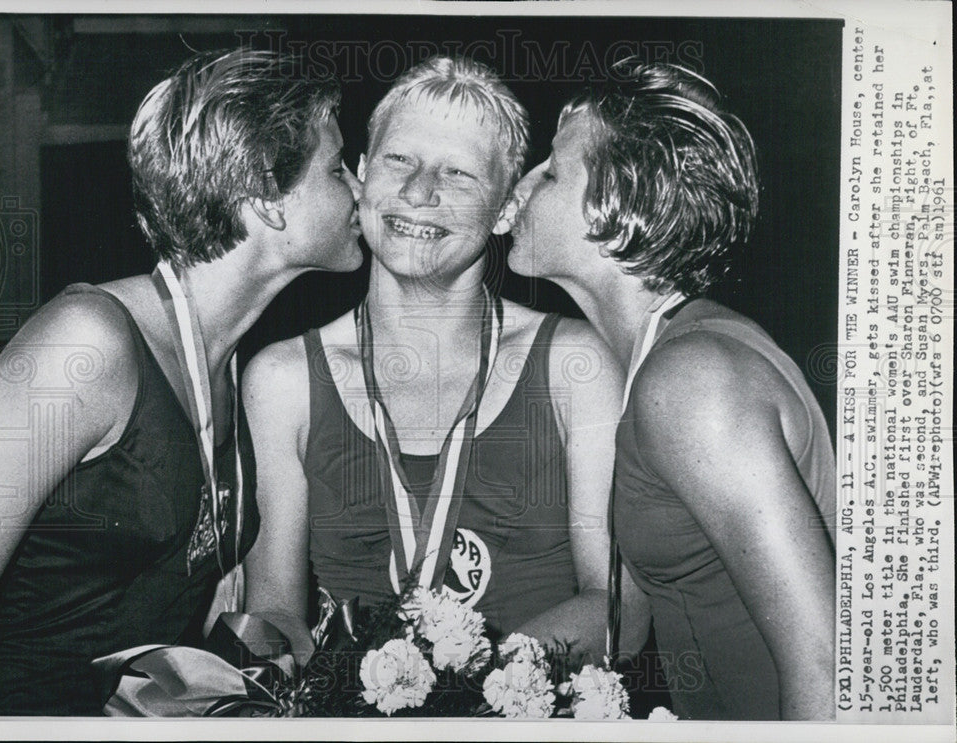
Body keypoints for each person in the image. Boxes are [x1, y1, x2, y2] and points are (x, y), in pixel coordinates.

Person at [0, 49, 363, 715]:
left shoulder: (235, 364)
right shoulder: (86, 341)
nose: (359, 189)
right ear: (267, 200)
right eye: (338, 168)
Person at [243, 56, 649, 674]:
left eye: (458, 173)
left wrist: (472, 695)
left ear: (507, 210)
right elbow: (273, 609)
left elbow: (618, 604)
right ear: (358, 178)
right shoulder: (282, 379)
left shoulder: (575, 365)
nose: (419, 192)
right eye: (399, 160)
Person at [508, 61, 836, 720]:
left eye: (549, 173)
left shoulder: (691, 379)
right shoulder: (660, 363)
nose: (519, 188)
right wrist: (448, 669)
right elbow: (624, 620)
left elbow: (827, 667)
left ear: (620, 207)